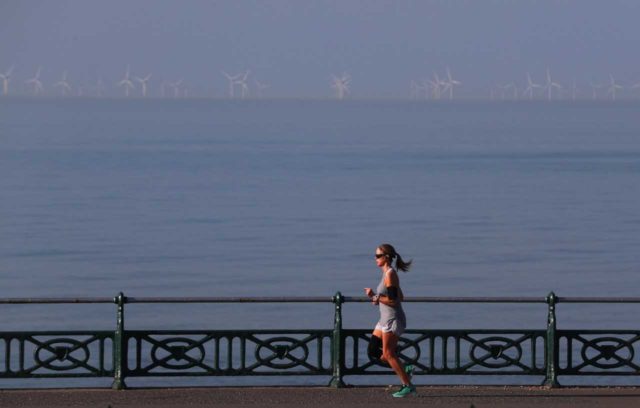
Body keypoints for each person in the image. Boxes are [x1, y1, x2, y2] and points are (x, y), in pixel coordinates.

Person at [364, 243, 416, 398]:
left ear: (386, 257)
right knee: (373, 350)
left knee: (388, 353)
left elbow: (394, 301)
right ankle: (404, 368)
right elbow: (400, 296)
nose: (375, 258)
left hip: (392, 319)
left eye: (378, 256)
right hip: (384, 319)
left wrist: (377, 296)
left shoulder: (390, 274)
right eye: (375, 255)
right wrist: (376, 298)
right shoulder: (386, 273)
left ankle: (407, 385)